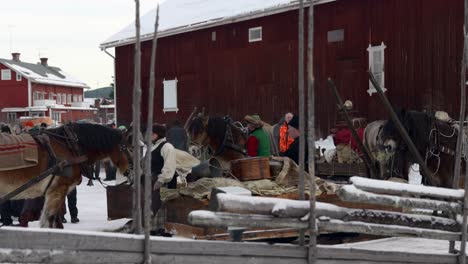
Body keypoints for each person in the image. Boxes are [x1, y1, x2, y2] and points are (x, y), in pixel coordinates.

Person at [151, 123, 177, 236]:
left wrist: (161, 180)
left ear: (157, 134)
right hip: (153, 179)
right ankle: (154, 228)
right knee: (154, 203)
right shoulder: (154, 146)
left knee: (161, 204)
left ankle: (161, 228)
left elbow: (169, 166)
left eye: (151, 133)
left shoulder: (167, 147)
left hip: (165, 181)